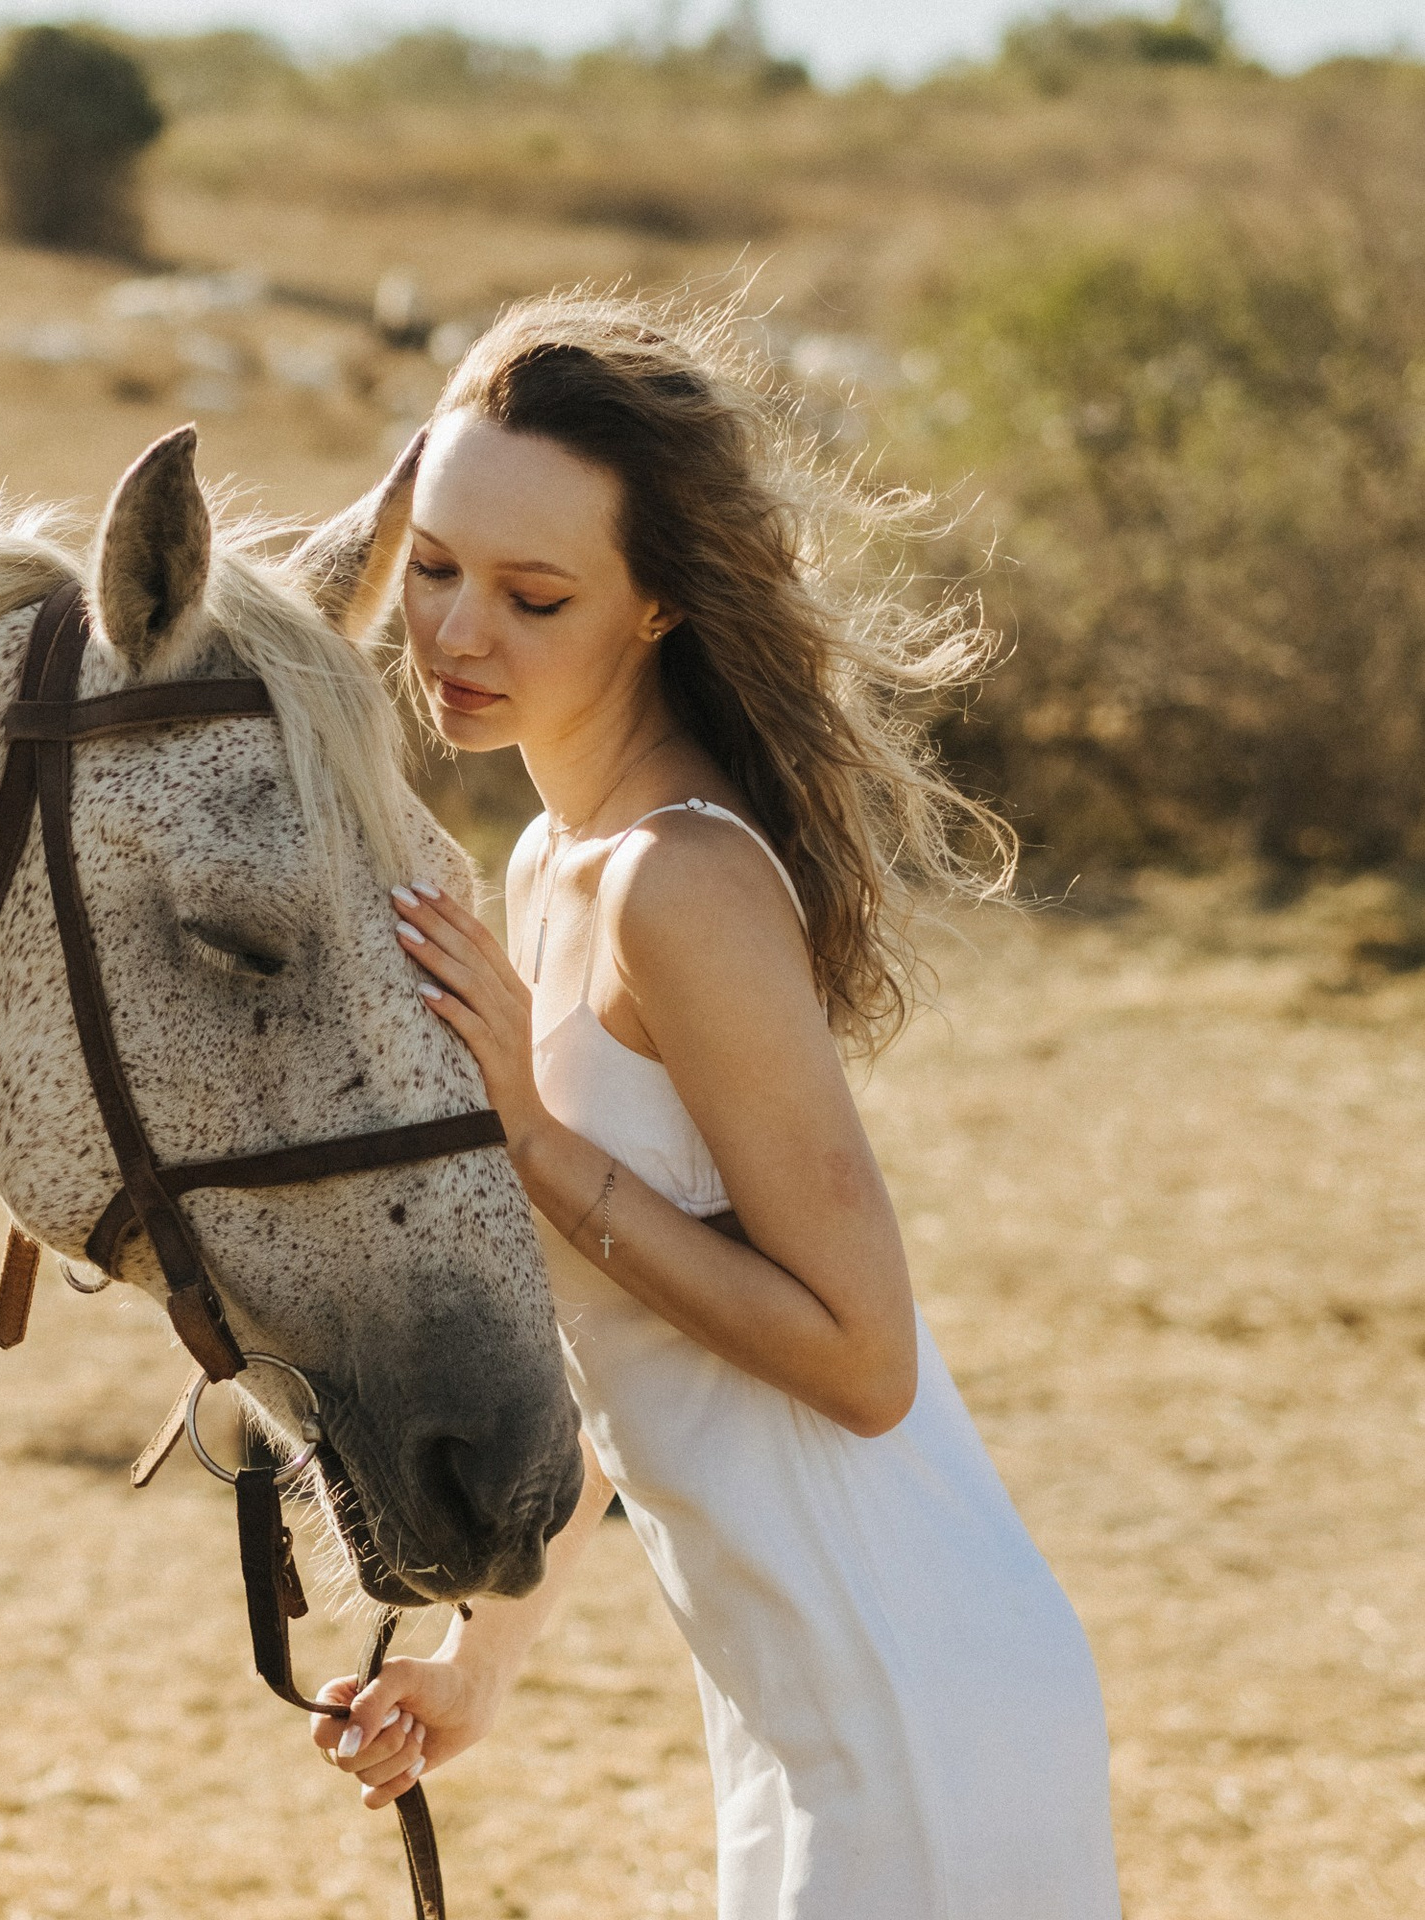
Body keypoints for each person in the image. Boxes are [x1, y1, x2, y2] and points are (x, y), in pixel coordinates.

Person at [309, 293, 1121, 1919]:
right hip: (791, 1706)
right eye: (441, 567)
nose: (458, 634)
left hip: (914, 1696)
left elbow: (860, 1358)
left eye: (534, 595)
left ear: (661, 604)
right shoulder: (544, 868)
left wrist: (534, 1145)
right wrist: (481, 1667)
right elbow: (623, 1347)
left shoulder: (678, 881)